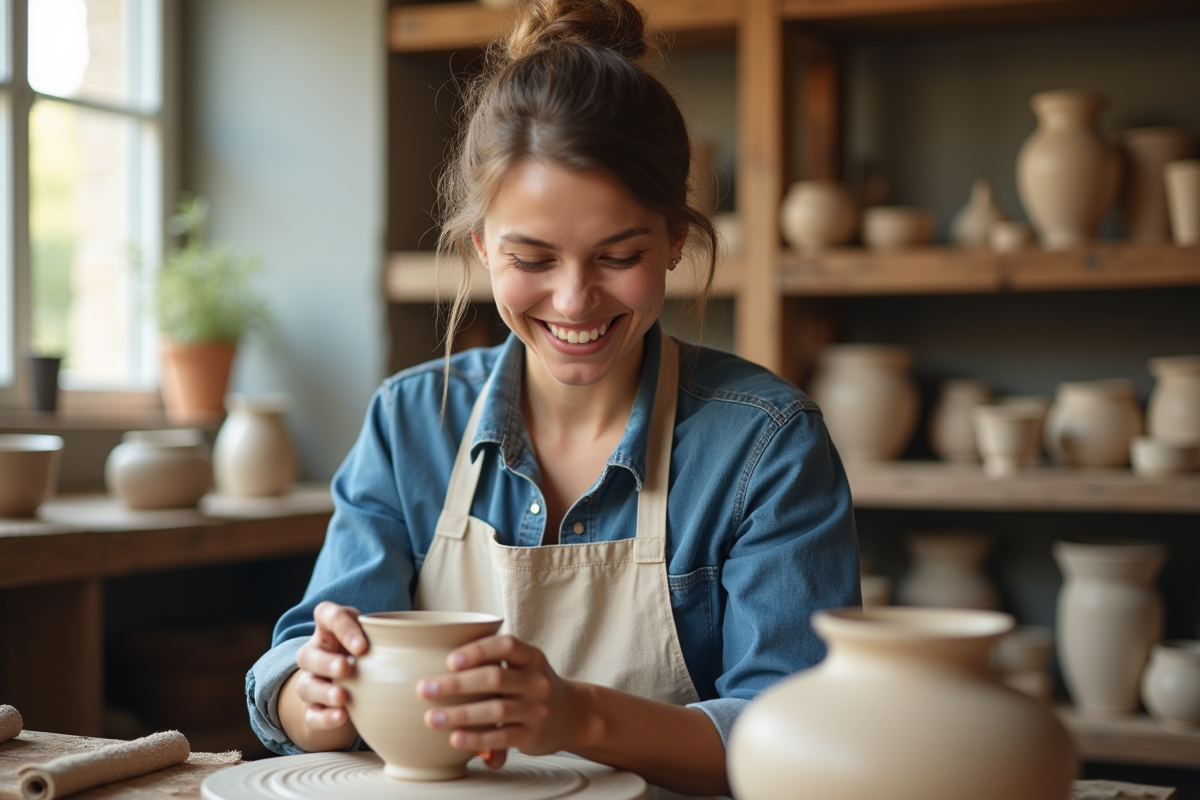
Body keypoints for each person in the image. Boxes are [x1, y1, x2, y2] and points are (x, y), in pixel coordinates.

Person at [246, 0, 859, 796]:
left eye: (619, 255)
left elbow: (799, 733)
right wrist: (313, 695)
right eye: (531, 258)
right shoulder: (410, 423)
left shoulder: (766, 444)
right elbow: (305, 652)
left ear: (676, 239)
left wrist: (579, 718)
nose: (574, 301)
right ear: (481, 247)